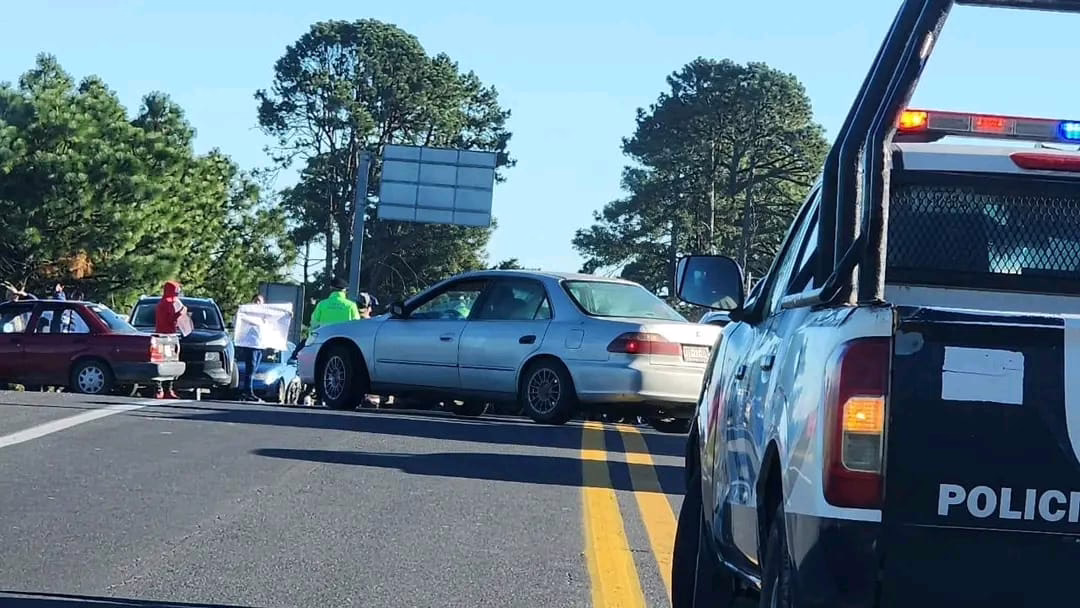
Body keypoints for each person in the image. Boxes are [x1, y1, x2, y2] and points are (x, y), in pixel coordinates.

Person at [154, 280, 190, 399]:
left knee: (168, 362)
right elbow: (172, 319)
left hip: (167, 335)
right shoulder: (167, 303)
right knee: (165, 361)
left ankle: (166, 389)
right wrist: (182, 312)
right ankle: (162, 389)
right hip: (165, 337)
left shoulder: (167, 302)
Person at [238, 293, 267, 402]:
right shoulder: (248, 313)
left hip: (260, 344)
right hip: (250, 344)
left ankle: (247, 391)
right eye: (256, 300)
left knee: (254, 369)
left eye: (260, 301)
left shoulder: (265, 314)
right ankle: (248, 391)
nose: (257, 302)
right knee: (250, 368)